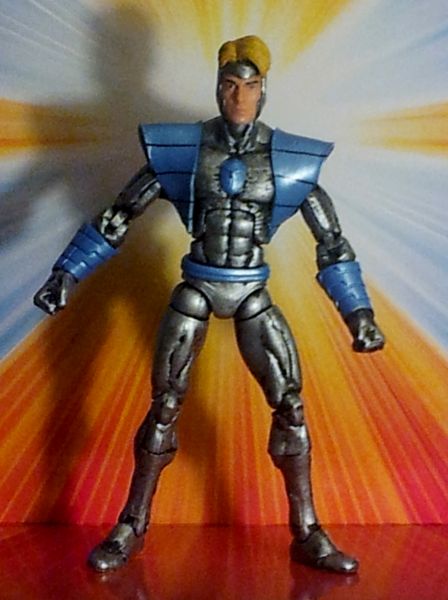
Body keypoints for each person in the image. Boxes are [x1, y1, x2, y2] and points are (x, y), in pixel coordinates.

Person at [34, 35, 384, 574]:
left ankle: (308, 529)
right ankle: (132, 524)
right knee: (164, 406)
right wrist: (66, 274)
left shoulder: (290, 158)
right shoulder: (184, 150)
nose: (239, 97)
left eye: (250, 85)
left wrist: (359, 315)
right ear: (217, 88)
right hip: (197, 285)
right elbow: (119, 215)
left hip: (251, 289)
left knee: (290, 404)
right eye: (229, 85)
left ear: (264, 90)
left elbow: (331, 243)